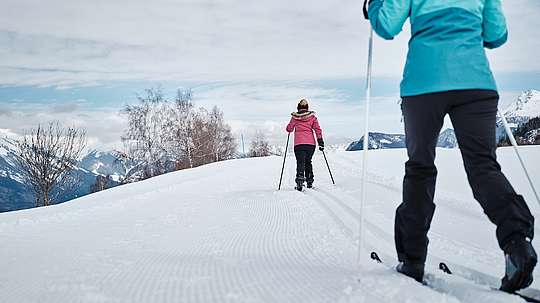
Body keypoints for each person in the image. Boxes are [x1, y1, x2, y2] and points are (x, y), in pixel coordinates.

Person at [364, 0, 537, 292]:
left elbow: (387, 26)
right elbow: (496, 35)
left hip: (424, 84)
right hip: (475, 83)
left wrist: (375, 5)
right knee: (483, 166)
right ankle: (517, 243)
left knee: (420, 168)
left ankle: (413, 260)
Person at [286, 99, 324, 191]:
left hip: (299, 144)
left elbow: (289, 129)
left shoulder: (294, 117)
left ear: (298, 107)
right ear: (307, 108)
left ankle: (300, 181)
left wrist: (290, 126)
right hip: (311, 144)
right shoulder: (313, 118)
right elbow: (317, 130)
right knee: (308, 161)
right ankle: (309, 181)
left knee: (300, 162)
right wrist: (320, 141)